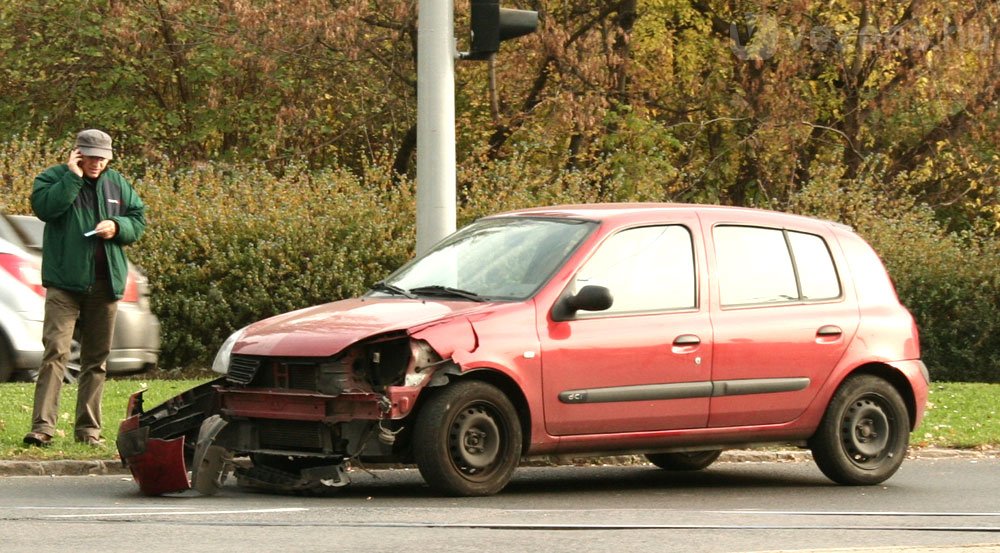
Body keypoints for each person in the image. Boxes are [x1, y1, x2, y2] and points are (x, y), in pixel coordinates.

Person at [23, 129, 147, 447]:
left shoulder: (117, 183)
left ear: (109, 158)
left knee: (96, 360)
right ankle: (42, 429)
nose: (97, 163)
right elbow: (46, 209)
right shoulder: (52, 178)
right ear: (78, 154)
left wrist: (118, 226)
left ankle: (88, 430)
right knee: (55, 353)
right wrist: (72, 177)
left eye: (102, 158)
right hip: (64, 283)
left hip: (106, 285)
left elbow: (138, 219)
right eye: (91, 157)